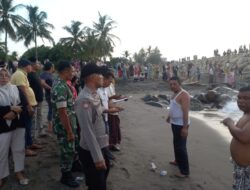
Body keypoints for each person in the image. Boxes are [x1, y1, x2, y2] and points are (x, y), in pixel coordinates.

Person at [75, 63, 110, 190]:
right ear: (92, 77)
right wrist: (98, 158)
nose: (102, 77)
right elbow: (88, 131)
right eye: (100, 74)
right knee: (98, 185)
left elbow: (97, 112)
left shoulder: (94, 94)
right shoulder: (84, 99)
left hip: (100, 144)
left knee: (103, 176)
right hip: (91, 150)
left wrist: (109, 110)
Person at [51, 60, 79, 188]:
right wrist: (69, 131)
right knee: (66, 150)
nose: (73, 73)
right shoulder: (61, 87)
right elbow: (62, 112)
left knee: (71, 148)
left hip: (69, 123)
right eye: (72, 71)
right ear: (65, 71)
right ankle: (65, 176)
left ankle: (72, 167)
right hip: (64, 126)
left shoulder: (62, 84)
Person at [0, 68, 29, 187]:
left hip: (18, 123)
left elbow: (23, 103)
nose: (3, 77)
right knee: (2, 152)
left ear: (9, 76)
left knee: (19, 149)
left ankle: (18, 172)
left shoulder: (15, 88)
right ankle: (1, 176)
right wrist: (9, 110)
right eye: (0, 75)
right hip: (2, 126)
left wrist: (14, 113)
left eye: (6, 75)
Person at [222, 86, 250, 189]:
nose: (241, 101)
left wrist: (230, 123)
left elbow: (243, 136)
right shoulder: (246, 114)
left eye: (246, 98)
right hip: (241, 168)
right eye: (239, 97)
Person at [11, 59, 38, 157]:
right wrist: (28, 105)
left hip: (28, 104)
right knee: (25, 126)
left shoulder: (22, 74)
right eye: (30, 65)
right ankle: (25, 148)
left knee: (28, 126)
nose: (31, 67)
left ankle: (30, 144)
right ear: (25, 66)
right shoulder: (19, 74)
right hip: (25, 105)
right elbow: (22, 91)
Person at [166, 76, 190, 178]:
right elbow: (173, 107)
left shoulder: (184, 95)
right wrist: (169, 117)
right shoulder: (174, 93)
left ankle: (185, 171)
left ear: (179, 83)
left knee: (181, 147)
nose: (172, 86)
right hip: (174, 123)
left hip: (181, 124)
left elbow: (185, 112)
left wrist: (185, 128)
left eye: (174, 84)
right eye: (171, 84)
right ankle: (177, 160)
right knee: (176, 143)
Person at [28, 57, 44, 141]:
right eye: (38, 63)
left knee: (39, 115)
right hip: (34, 100)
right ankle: (33, 137)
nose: (39, 65)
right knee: (33, 118)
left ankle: (40, 131)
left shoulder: (36, 74)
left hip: (39, 99)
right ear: (33, 64)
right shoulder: (29, 75)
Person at [40, 62, 54, 133]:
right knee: (51, 110)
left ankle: (52, 126)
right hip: (49, 94)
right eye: (53, 66)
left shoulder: (50, 74)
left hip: (52, 94)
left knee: (53, 110)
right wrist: (51, 88)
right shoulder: (44, 74)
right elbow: (42, 83)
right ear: (50, 67)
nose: (53, 68)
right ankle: (49, 127)